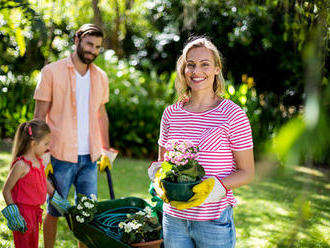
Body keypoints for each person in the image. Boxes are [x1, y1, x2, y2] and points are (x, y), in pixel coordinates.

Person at [148, 36, 255, 248]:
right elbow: (163, 165)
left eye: (205, 64)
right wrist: (158, 179)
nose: (197, 71)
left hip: (213, 220)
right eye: (191, 65)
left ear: (217, 69)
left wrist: (216, 185)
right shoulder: (171, 114)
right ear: (183, 70)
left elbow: (247, 172)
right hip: (174, 219)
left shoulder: (233, 115)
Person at [33, 23, 113, 248]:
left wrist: (106, 150)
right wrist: (42, 155)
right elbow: (39, 117)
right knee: (54, 210)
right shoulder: (51, 72)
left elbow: (102, 115)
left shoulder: (101, 77)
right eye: (89, 44)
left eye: (97, 46)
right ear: (77, 40)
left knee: (86, 214)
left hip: (90, 159)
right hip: (59, 155)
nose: (93, 50)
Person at [1, 119, 69, 248]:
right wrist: (15, 216)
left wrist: (62, 204)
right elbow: (6, 190)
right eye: (45, 144)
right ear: (33, 143)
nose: (48, 147)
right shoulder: (21, 165)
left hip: (36, 214)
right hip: (23, 215)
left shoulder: (38, 162)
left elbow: (45, 184)